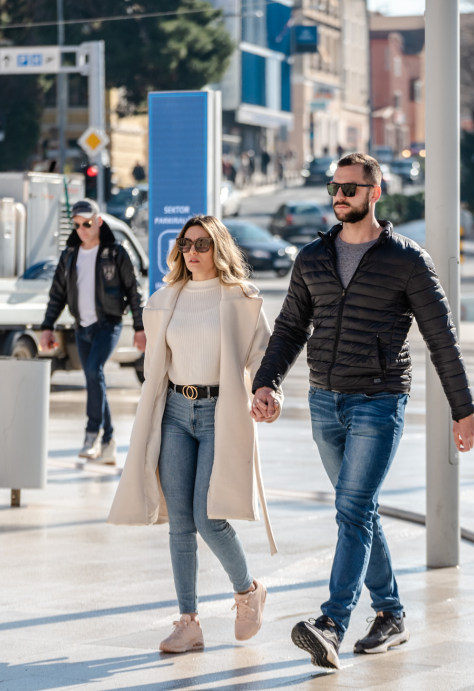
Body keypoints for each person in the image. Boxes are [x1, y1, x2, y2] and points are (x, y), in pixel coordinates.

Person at [251, 153, 474, 669]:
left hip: (378, 400)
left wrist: (462, 410)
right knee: (358, 511)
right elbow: (290, 326)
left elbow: (441, 340)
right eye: (335, 188)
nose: (339, 196)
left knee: (352, 510)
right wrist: (266, 381)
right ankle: (392, 614)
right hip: (323, 400)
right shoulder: (312, 257)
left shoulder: (407, 260)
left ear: (375, 194)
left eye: (350, 189)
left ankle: (332, 622)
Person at [108, 215, 280, 654]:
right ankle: (188, 622)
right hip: (176, 413)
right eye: (186, 244)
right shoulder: (167, 298)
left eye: (202, 244)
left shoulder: (240, 298)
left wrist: (267, 392)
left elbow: (262, 355)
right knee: (180, 522)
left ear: (218, 248)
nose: (193, 252)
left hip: (220, 411)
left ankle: (247, 592)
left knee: (210, 516)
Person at [40, 200, 146, 462]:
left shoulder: (116, 253)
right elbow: (57, 294)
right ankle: (109, 441)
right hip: (81, 328)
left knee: (93, 371)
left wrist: (140, 327)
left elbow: (134, 291)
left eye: (87, 223)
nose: (82, 229)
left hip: (107, 324)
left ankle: (91, 433)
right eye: (77, 225)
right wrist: (47, 327)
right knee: (93, 379)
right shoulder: (69, 255)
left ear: (98, 221)